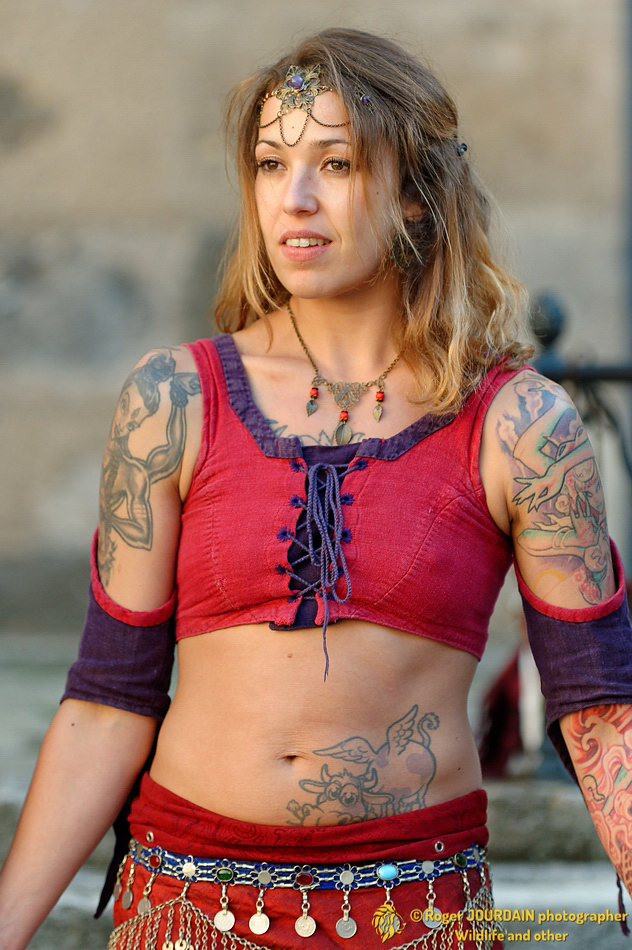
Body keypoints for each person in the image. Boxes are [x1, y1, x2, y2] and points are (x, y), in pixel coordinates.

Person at [2, 27, 632, 950]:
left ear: (417, 194)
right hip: (187, 909)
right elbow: (106, 704)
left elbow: (602, 710)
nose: (293, 198)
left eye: (336, 163)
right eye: (270, 164)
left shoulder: (520, 426)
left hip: (416, 914)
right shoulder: (173, 399)